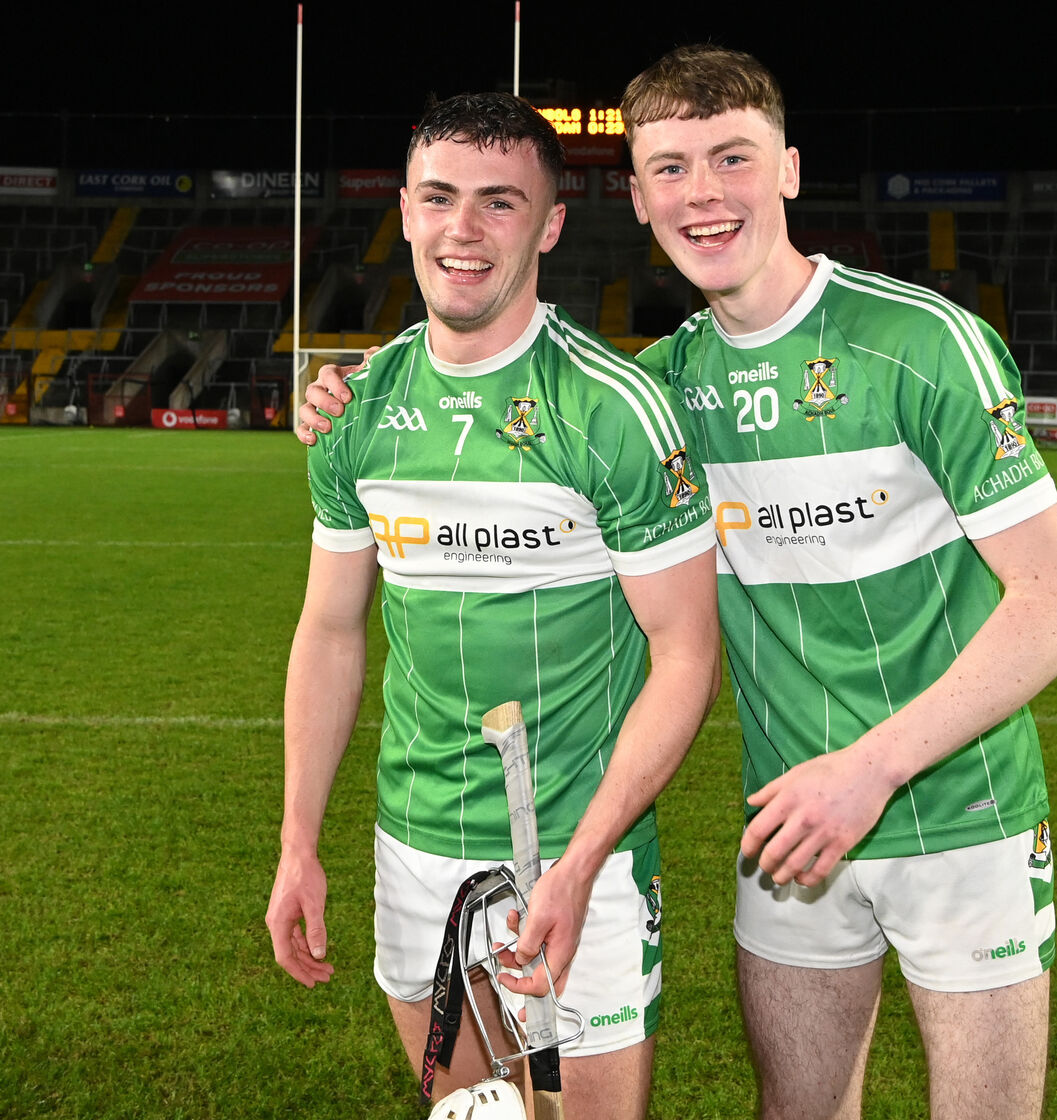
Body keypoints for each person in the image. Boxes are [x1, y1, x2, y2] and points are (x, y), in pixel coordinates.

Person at [298, 49, 1057, 1120]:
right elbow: (500, 402)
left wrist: (870, 768)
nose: (703, 194)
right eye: (670, 168)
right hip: (788, 836)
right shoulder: (664, 388)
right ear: (637, 199)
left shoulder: (923, 346)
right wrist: (345, 390)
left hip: (963, 814)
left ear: (791, 170)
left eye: (733, 158)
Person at [267, 90, 720, 1120]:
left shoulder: (612, 410)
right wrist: (299, 841)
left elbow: (687, 654)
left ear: (550, 224)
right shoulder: (357, 410)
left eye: (499, 202)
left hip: (576, 852)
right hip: (413, 846)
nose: (462, 229)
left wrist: (583, 862)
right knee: (469, 1113)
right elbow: (330, 630)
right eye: (438, 198)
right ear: (405, 212)